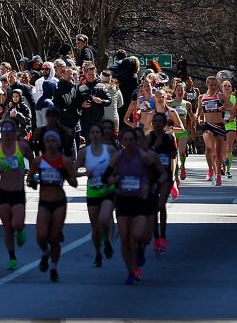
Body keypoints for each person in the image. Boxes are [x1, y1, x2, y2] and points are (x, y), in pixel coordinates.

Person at [108, 127, 169, 284]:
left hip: (143, 199)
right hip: (124, 200)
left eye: (133, 140)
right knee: (125, 239)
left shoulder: (146, 157)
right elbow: (106, 177)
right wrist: (111, 181)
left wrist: (151, 185)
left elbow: (161, 174)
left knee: (139, 236)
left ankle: (140, 248)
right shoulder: (118, 157)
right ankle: (131, 270)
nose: (129, 143)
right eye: (126, 140)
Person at [26, 130, 78, 282]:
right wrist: (33, 181)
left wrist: (66, 175)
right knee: (41, 235)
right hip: (44, 202)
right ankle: (44, 252)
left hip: (59, 202)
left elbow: (74, 182)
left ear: (58, 143)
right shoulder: (38, 161)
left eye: (53, 141)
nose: (50, 144)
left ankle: (54, 268)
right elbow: (30, 177)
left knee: (54, 237)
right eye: (47, 141)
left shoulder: (64, 161)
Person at [0, 119, 32, 271]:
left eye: (10, 130)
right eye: (4, 130)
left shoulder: (21, 146)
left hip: (18, 192)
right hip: (2, 192)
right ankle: (12, 257)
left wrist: (30, 174)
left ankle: (21, 231)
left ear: (15, 132)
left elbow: (32, 159)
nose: (7, 133)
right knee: (7, 228)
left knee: (17, 224)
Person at [75, 122, 116, 268]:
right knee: (95, 227)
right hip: (92, 190)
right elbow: (73, 172)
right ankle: (98, 253)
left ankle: (108, 241)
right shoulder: (84, 152)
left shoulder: (110, 150)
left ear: (101, 134)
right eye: (92, 132)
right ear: (89, 135)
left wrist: (113, 179)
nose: (95, 135)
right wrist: (85, 173)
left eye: (97, 132)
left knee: (104, 218)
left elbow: (119, 168)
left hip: (107, 190)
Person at [147, 113, 178, 253]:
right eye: (156, 121)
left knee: (161, 205)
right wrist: (154, 148)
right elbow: (144, 157)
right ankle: (156, 237)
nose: (158, 123)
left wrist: (171, 149)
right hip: (152, 177)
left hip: (165, 176)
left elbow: (173, 155)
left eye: (161, 121)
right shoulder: (149, 138)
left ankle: (163, 236)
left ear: (164, 123)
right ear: (152, 123)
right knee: (153, 207)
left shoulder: (169, 137)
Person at [195, 76, 231, 186]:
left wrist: (224, 108)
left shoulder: (220, 96)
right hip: (208, 125)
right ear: (207, 84)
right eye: (211, 85)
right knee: (211, 147)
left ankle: (218, 176)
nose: (213, 87)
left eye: (215, 85)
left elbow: (230, 106)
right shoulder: (202, 97)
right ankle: (211, 170)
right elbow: (199, 112)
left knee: (219, 154)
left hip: (219, 125)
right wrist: (199, 119)